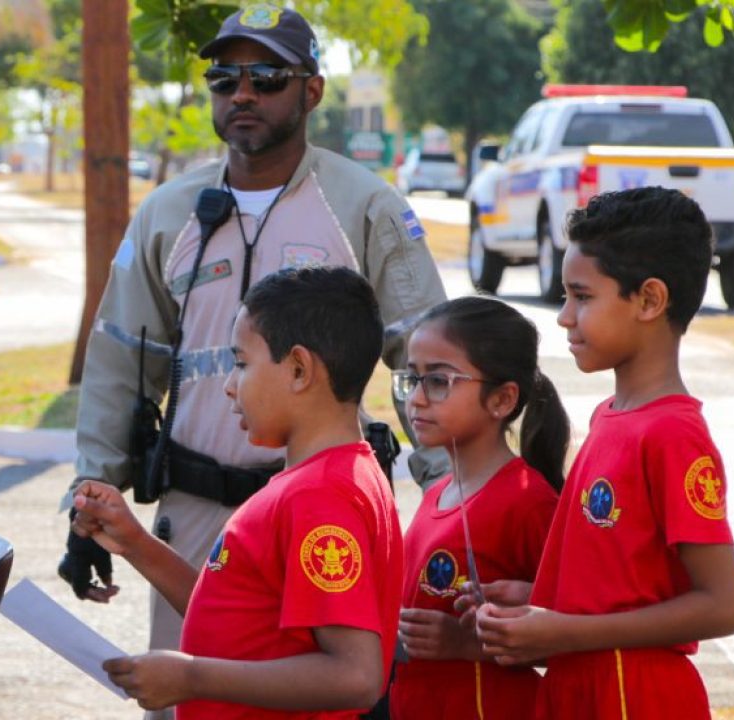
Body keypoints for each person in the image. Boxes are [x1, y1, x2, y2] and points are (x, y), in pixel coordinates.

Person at [59, 5, 446, 705]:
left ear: (313, 90)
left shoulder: (366, 208)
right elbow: (120, 363)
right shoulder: (167, 214)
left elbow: (428, 360)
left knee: (319, 693)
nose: (243, 93)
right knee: (187, 698)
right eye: (224, 77)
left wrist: (453, 497)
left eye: (267, 76)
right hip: (196, 511)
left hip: (321, 516)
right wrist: (90, 502)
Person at [70, 266, 403, 718]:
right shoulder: (321, 480)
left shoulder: (319, 497)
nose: (229, 385)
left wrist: (192, 677)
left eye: (242, 363)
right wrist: (135, 543)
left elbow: (355, 676)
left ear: (300, 369)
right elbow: (233, 620)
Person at [474, 187, 734, 718]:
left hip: (633, 693)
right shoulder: (611, 415)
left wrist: (567, 630)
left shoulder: (672, 434)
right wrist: (537, 601)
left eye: (582, 296)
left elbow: (725, 605)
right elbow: (627, 582)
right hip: (583, 685)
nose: (564, 317)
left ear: (649, 300)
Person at [388, 296, 569, 719]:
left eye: (438, 381)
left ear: (502, 400)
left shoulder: (528, 501)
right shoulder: (437, 495)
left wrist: (463, 644)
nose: (415, 399)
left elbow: (573, 641)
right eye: (411, 379)